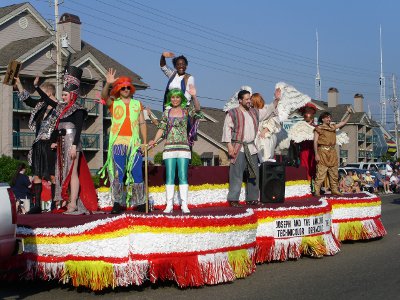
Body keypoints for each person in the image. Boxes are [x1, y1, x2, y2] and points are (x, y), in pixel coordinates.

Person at [45, 66, 98, 214]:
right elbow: (57, 127)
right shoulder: (61, 109)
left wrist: (74, 145)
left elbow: (79, 129)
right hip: (62, 144)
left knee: (72, 173)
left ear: (72, 94)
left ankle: (73, 203)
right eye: (62, 94)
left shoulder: (79, 109)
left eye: (65, 94)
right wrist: (54, 141)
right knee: (62, 173)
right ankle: (68, 201)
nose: (63, 96)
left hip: (72, 144)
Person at [99, 68, 147, 214]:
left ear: (131, 89)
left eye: (128, 87)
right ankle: (117, 202)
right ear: (119, 90)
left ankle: (140, 202)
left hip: (134, 143)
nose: (126, 90)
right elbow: (103, 96)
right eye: (123, 88)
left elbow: (142, 123)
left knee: (137, 172)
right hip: (118, 142)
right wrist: (108, 84)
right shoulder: (114, 103)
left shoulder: (137, 104)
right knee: (118, 173)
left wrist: (144, 142)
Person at [222, 88, 281, 207]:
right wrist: (229, 146)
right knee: (236, 174)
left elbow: (268, 112)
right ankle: (233, 199)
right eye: (247, 99)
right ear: (240, 100)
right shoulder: (232, 113)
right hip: (238, 147)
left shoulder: (254, 112)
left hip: (252, 148)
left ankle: (252, 198)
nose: (249, 101)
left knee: (254, 174)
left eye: (250, 98)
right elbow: (226, 129)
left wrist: (276, 100)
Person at [148, 87, 202, 213]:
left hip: (183, 147)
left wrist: (194, 96)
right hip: (169, 147)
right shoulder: (166, 112)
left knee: (183, 175)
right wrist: (154, 141)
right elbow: (161, 128)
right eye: (173, 97)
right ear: (170, 99)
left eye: (177, 97)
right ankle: (169, 205)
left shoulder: (186, 111)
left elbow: (198, 110)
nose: (175, 99)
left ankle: (184, 204)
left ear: (181, 98)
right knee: (170, 176)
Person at [14, 76, 60, 214]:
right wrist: (19, 84)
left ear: (49, 93)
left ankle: (54, 204)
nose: (40, 97)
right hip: (38, 143)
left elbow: (60, 127)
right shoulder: (41, 106)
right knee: (37, 174)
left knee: (52, 175)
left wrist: (56, 141)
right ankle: (38, 205)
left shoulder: (59, 106)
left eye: (43, 93)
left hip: (50, 144)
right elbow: (28, 100)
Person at [313, 107, 352, 196]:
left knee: (334, 172)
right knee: (321, 173)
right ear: (322, 119)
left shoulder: (333, 127)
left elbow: (343, 123)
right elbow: (315, 141)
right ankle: (317, 190)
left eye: (329, 117)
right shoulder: (318, 128)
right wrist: (316, 154)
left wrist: (349, 113)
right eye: (327, 117)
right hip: (322, 152)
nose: (329, 119)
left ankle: (334, 189)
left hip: (332, 152)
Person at [253, 93, 281, 163]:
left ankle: (265, 159)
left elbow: (272, 123)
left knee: (264, 141)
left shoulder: (266, 109)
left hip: (267, 133)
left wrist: (264, 131)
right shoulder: (253, 112)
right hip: (257, 134)